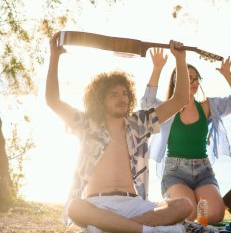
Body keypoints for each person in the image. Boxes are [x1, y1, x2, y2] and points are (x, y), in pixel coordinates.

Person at [46, 32, 193, 233]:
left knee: (184, 205)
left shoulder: (138, 123)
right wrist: (54, 57)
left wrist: (180, 59)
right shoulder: (87, 124)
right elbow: (53, 101)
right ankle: (146, 230)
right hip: (98, 205)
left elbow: (180, 100)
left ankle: (116, 229)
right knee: (75, 207)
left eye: (124, 93)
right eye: (113, 95)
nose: (121, 99)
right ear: (100, 100)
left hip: (133, 204)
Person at [140, 48, 231, 223]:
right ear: (177, 82)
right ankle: (166, 206)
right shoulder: (167, 109)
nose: (193, 82)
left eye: (196, 78)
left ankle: (184, 213)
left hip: (203, 171)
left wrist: (227, 74)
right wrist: (157, 69)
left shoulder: (208, 107)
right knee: (188, 213)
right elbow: (146, 104)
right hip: (175, 172)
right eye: (188, 78)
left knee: (215, 214)